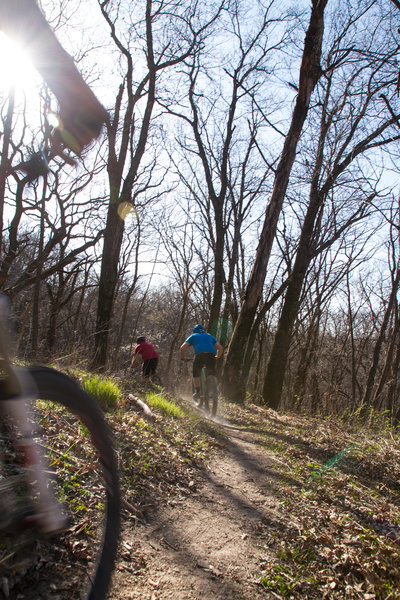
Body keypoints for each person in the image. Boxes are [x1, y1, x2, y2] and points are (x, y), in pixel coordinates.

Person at [0, 0, 108, 171]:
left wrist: (60, 152)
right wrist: (61, 151)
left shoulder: (74, 111)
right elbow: (61, 134)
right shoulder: (83, 109)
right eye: (84, 141)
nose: (89, 143)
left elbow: (57, 135)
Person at [180, 324, 223, 416]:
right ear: (203, 330)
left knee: (196, 373)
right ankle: (214, 389)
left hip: (199, 356)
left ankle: (198, 391)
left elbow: (182, 348)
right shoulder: (209, 336)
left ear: (194, 331)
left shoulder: (193, 336)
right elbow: (220, 348)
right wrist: (217, 356)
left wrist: (183, 358)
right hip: (211, 356)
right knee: (211, 373)